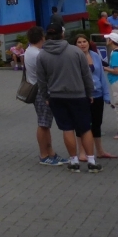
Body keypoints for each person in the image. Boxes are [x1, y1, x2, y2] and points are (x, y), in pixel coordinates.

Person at [35, 15, 100, 173]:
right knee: (85, 128)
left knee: (67, 128)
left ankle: (73, 160)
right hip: (78, 95)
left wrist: (46, 97)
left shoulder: (42, 55)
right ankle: (91, 161)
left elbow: (41, 80)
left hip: (56, 96)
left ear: (47, 36)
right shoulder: (76, 52)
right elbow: (86, 74)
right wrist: (89, 92)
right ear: (62, 34)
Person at [24, 26, 64, 165]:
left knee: (46, 124)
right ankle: (43, 155)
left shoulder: (30, 51)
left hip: (37, 90)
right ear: (42, 37)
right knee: (43, 123)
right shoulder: (38, 54)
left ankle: (50, 152)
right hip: (42, 92)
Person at [74, 35, 114, 159]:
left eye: (84, 41)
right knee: (82, 124)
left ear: (88, 42)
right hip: (82, 95)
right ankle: (82, 152)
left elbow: (101, 75)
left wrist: (106, 95)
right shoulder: (74, 57)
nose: (82, 44)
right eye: (79, 42)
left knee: (97, 124)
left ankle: (100, 151)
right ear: (75, 45)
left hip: (98, 94)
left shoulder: (95, 55)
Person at [105, 32, 118, 137]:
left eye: (108, 39)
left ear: (111, 41)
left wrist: (104, 68)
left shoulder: (115, 54)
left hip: (116, 82)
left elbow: (116, 70)